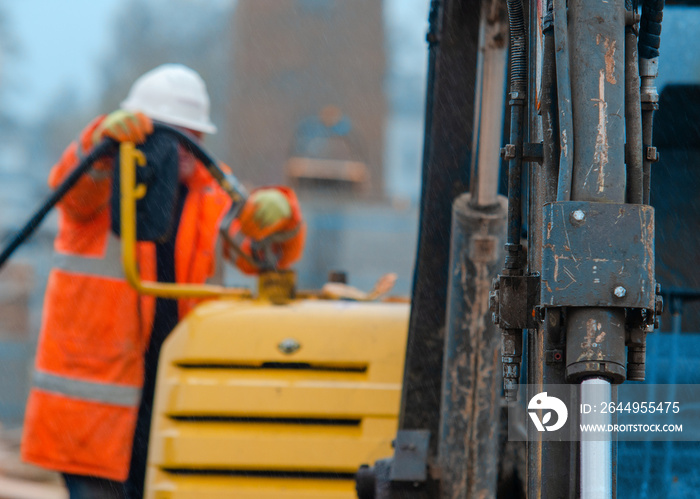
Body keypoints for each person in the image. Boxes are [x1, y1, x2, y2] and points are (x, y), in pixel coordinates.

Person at [20, 64, 306, 499]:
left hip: (166, 404)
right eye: (172, 134)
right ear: (140, 130)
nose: (183, 149)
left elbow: (260, 254)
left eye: (194, 136)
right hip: (92, 417)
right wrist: (102, 140)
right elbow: (72, 186)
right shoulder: (101, 184)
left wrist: (281, 218)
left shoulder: (211, 194)